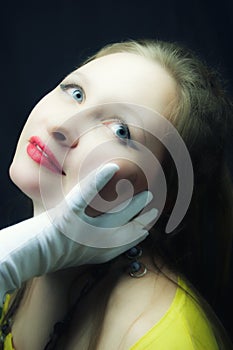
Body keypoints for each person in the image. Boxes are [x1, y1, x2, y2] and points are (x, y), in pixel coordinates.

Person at [0, 38, 232, 349]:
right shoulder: (20, 265)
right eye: (76, 93)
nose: (61, 126)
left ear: (162, 199)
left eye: (120, 131)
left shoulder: (168, 340)